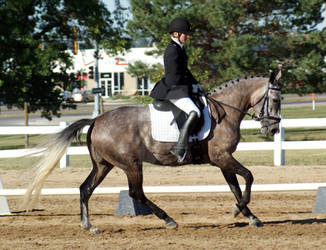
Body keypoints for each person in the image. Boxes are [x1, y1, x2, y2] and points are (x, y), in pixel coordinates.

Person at [150, 17, 202, 162]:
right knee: (194, 112)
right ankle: (180, 147)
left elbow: (185, 71)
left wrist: (196, 83)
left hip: (179, 88)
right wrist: (190, 87)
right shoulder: (172, 50)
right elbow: (173, 77)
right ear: (176, 34)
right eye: (185, 33)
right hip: (173, 90)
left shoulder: (179, 48)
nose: (187, 36)